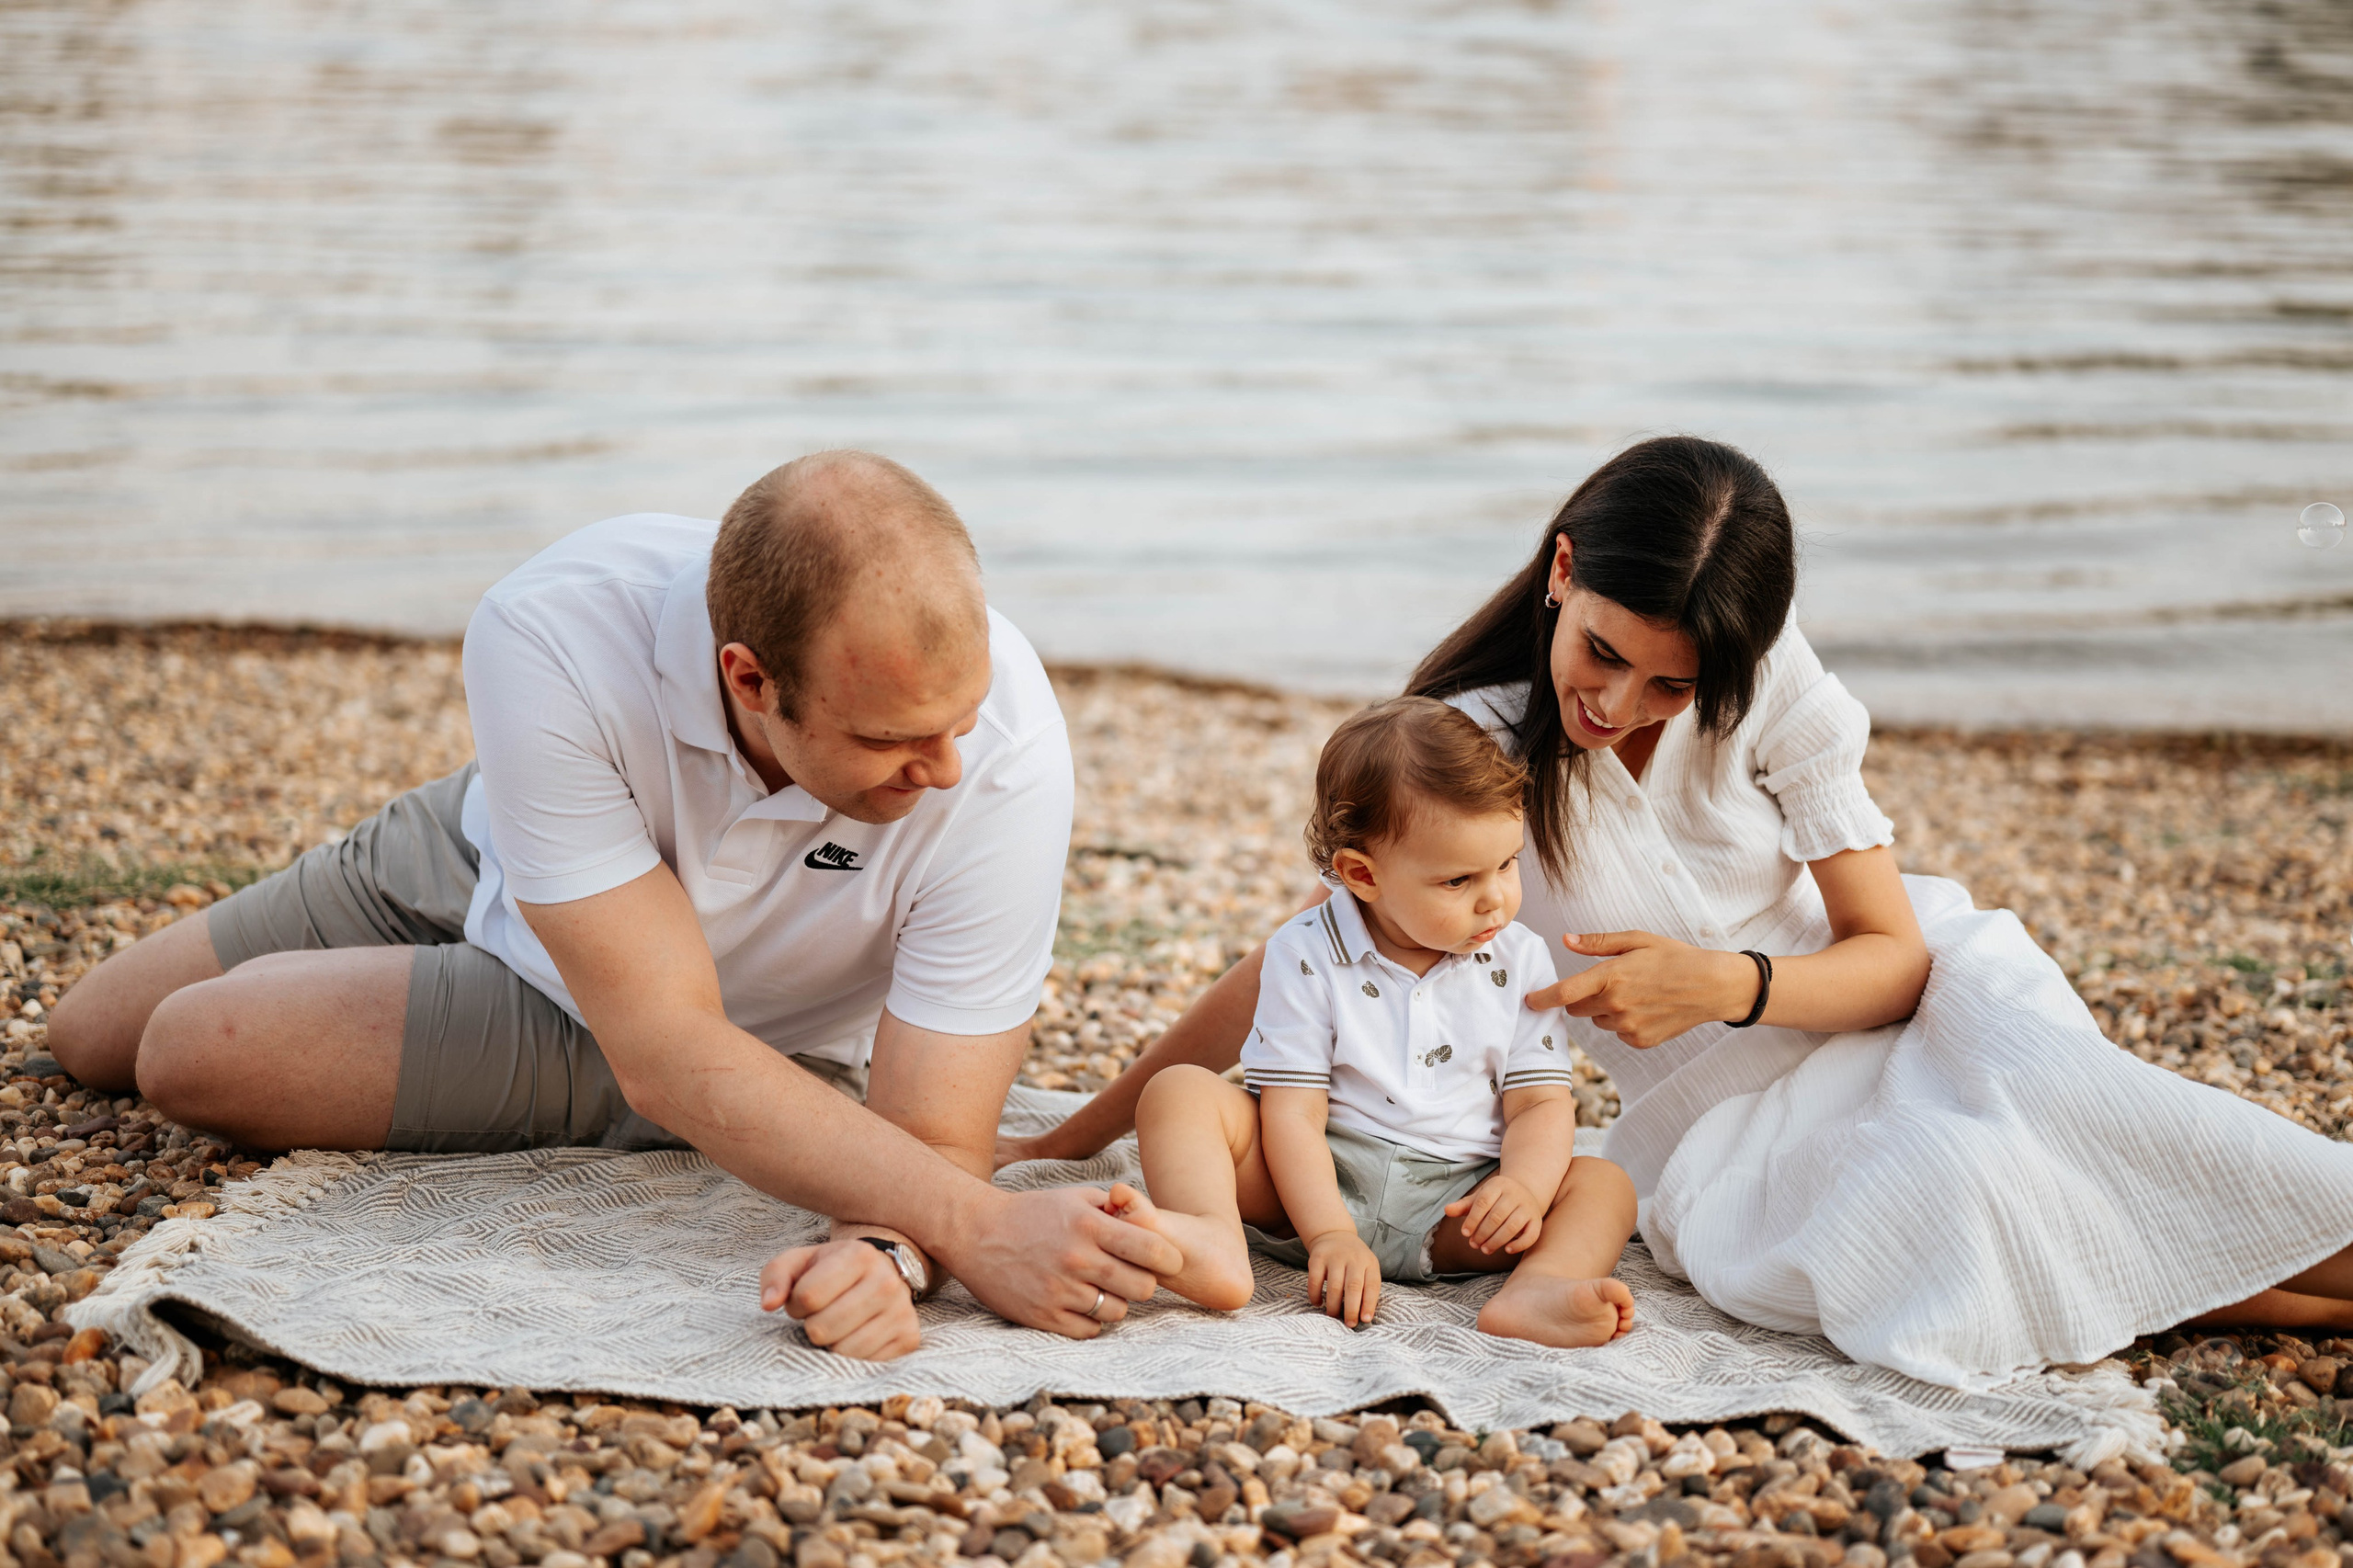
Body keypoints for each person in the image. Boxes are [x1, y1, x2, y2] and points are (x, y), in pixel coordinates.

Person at [1005, 435, 2353, 1387]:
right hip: (1723, 1122)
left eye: (1669, 686)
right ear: (1562, 570)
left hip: (1904, 1002)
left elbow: (1891, 955)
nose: (1619, 705)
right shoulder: (1471, 754)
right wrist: (1067, 1135)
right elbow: (1298, 963)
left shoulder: (1770, 690)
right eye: (1605, 652)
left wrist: (1725, 981)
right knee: (1965, 1203)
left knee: (2127, 1130)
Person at [47, 449, 1180, 1361]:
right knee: (85, 1030)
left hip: (666, 1016)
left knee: (190, 1049)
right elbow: (677, 1050)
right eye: (888, 740)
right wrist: (977, 1230)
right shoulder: (554, 623)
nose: (942, 767)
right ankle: (761, 1110)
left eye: (960, 720)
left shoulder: (1006, 749)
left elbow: (931, 1130)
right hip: (506, 847)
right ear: (748, 677)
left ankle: (778, 1102)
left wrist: (886, 1255)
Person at [1104, 697, 1637, 1345]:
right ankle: (1214, 1240)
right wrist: (1329, 1231)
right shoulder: (1306, 950)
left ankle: (1537, 1289)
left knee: (1602, 1183)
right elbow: (1292, 1112)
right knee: (1179, 1093)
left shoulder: (1518, 958)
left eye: (1507, 863)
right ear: (1364, 875)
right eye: (1458, 881)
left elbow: (1539, 1107)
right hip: (1307, 1182)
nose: (1496, 896)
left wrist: (1523, 1189)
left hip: (1457, 1207)